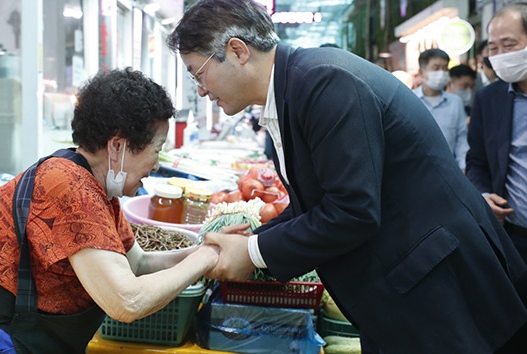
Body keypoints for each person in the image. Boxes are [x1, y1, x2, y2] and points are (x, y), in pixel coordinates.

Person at [166, 0, 527, 353]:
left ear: (238, 51)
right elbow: (318, 203)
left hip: (441, 292)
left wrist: (253, 251)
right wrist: (249, 241)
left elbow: (352, 211)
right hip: (407, 292)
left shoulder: (325, 81)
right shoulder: (294, 89)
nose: (200, 89)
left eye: (198, 73)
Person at [0, 68, 231, 354]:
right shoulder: (68, 186)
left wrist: (206, 250)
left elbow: (137, 265)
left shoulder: (97, 188)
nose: (156, 164)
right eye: (156, 148)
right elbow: (126, 301)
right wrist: (206, 260)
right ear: (118, 146)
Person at [467, 4, 527, 351]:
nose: (500, 55)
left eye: (509, 44)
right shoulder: (490, 99)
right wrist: (482, 195)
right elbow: (477, 161)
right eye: (493, 47)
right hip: (513, 237)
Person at [412, 48, 469, 171]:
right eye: (436, 68)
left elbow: (461, 137)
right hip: (416, 171)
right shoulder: (410, 100)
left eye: (445, 68)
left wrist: (463, 166)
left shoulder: (455, 102)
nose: (441, 73)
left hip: (448, 170)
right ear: (422, 72)